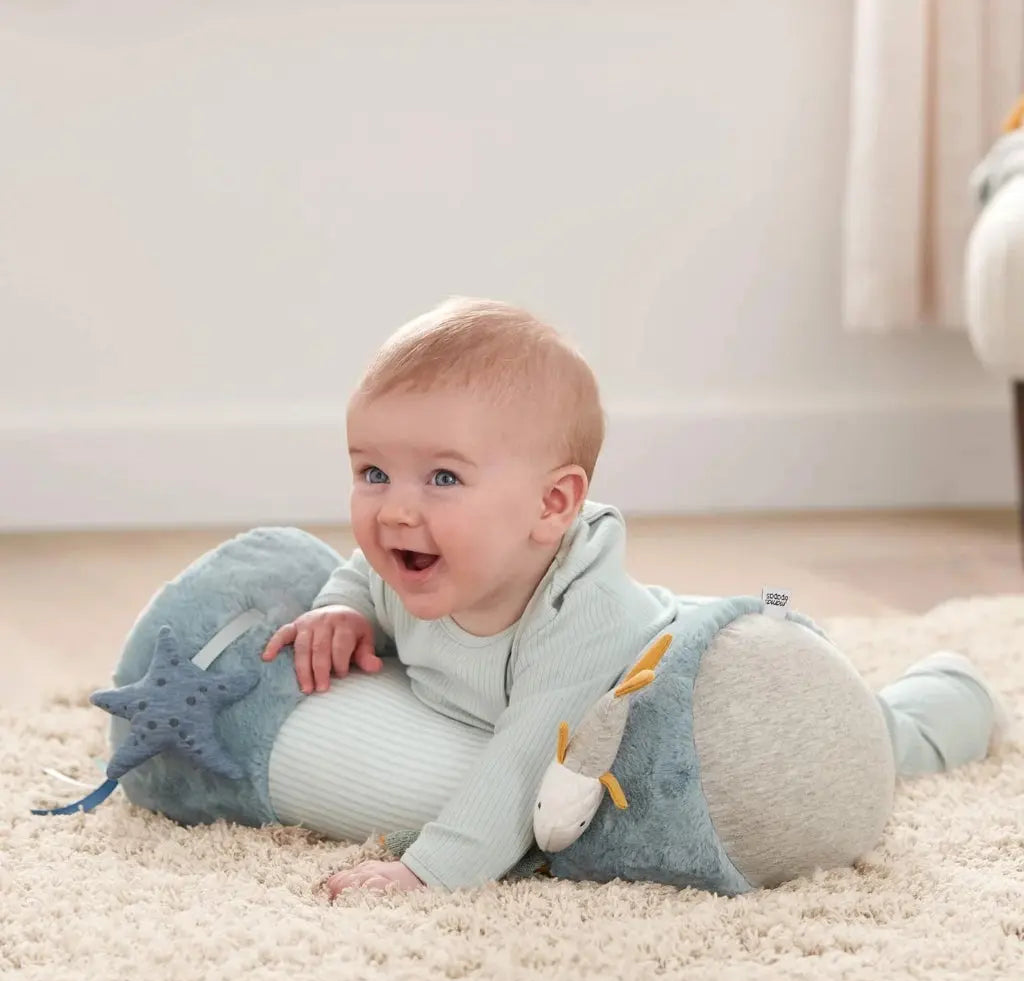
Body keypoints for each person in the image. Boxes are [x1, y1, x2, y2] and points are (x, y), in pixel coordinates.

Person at [262, 297, 1008, 894]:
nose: (394, 510)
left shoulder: (577, 618)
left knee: (881, 738)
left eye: (444, 478)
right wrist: (343, 607)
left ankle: (963, 692)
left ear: (553, 506)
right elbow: (363, 568)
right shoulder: (412, 553)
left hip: (702, 705)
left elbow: (527, 757)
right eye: (372, 473)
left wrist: (429, 870)